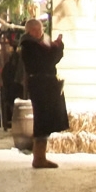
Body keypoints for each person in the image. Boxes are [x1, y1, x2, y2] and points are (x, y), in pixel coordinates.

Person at [18, 18, 68, 168]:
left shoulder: (35, 45)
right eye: (38, 30)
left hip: (44, 85)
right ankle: (38, 158)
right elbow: (48, 60)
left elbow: (51, 58)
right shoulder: (29, 46)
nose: (41, 33)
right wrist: (57, 47)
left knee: (45, 121)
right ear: (31, 31)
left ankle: (40, 156)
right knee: (42, 120)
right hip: (41, 86)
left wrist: (56, 47)